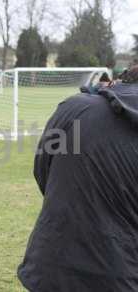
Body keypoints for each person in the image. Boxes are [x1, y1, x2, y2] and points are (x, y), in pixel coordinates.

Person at [18, 65, 138, 291]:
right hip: (120, 275)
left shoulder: (70, 108)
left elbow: (42, 170)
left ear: (121, 82)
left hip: (50, 267)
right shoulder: (72, 109)